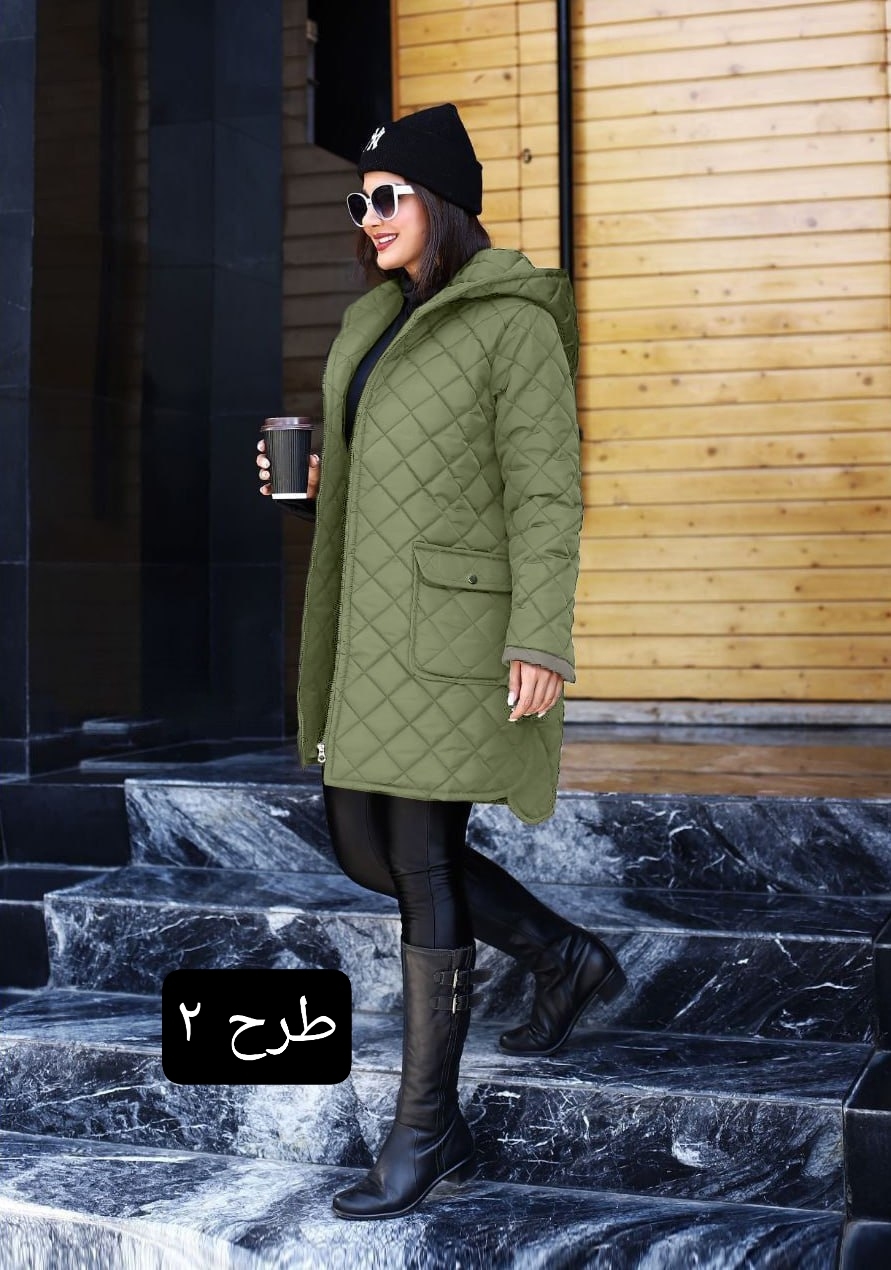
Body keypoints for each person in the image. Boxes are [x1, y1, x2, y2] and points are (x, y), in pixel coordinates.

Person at [256, 103, 626, 1221]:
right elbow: (393, 474)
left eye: (388, 197)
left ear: (441, 201)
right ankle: (559, 953)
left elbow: (546, 492)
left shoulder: (513, 322)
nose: (367, 217)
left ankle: (428, 1129)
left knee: (418, 856)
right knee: (360, 845)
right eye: (358, 201)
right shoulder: (376, 319)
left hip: (452, 636)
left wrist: (540, 634)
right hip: (367, 629)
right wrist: (315, 489)